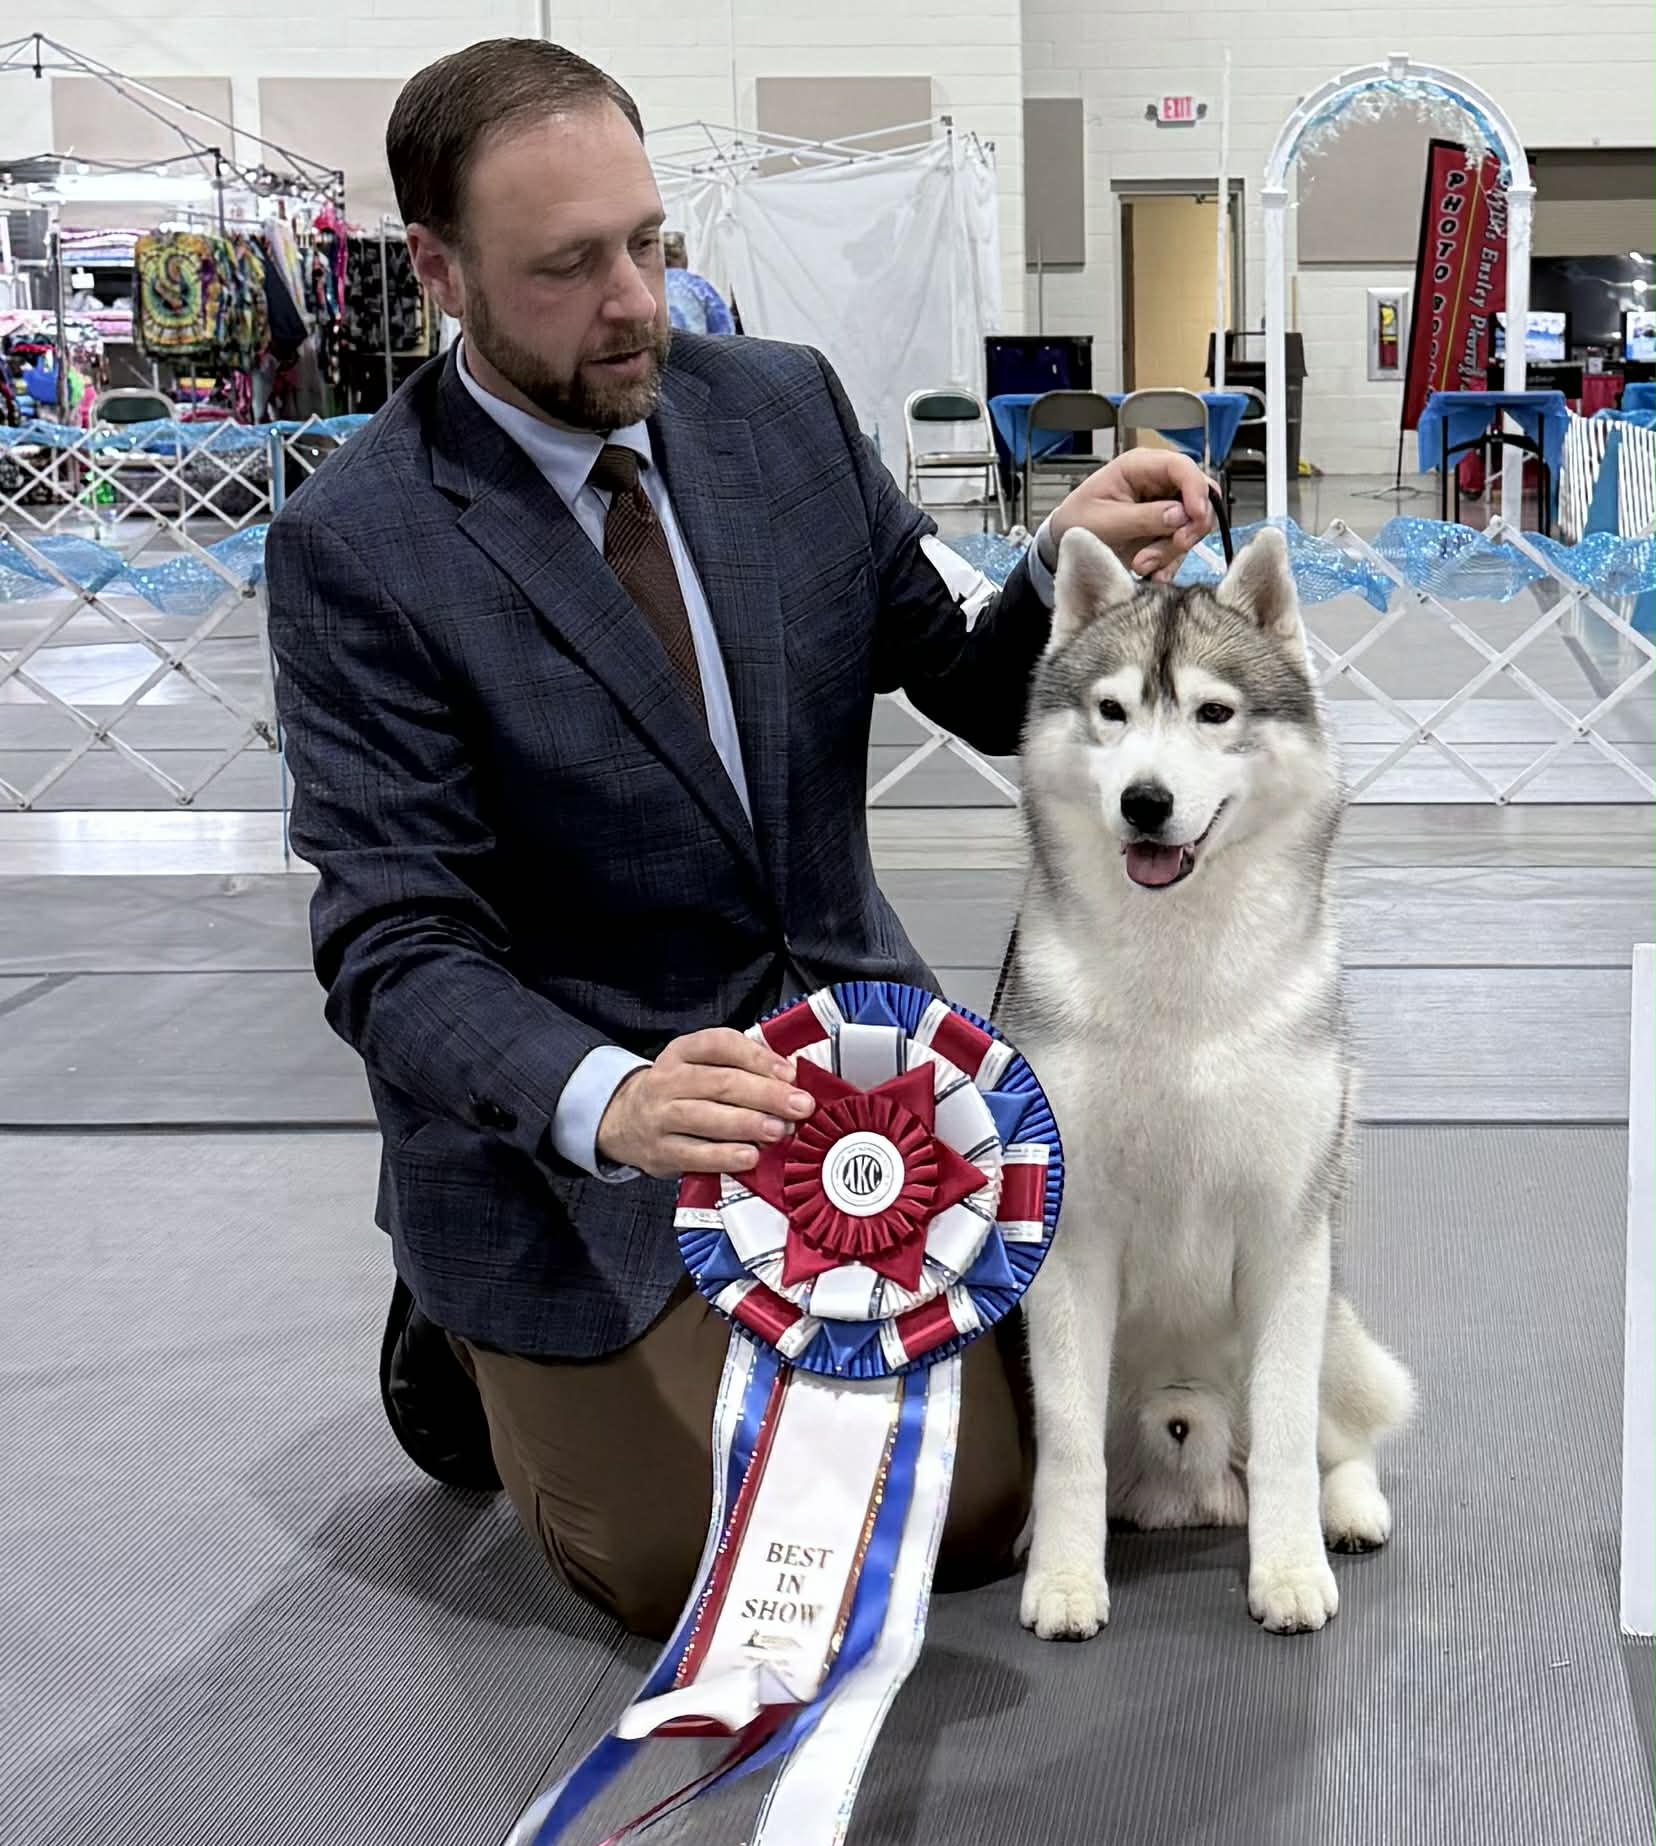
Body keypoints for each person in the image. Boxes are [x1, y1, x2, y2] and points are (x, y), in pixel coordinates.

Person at [266, 38, 1213, 1640]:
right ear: (437, 269)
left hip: (863, 1086)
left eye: (648, 242)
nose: (632, 301)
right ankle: (459, 1320)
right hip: (594, 1128)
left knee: (989, 1510)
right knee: (697, 1566)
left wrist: (1064, 567)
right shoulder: (359, 546)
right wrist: (608, 1098)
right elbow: (394, 946)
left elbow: (975, 682)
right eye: (566, 266)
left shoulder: (782, 409)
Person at [662, 232, 735, 336]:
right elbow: (723, 327)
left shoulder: (648, 284)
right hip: (696, 344)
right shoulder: (696, 286)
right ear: (683, 255)